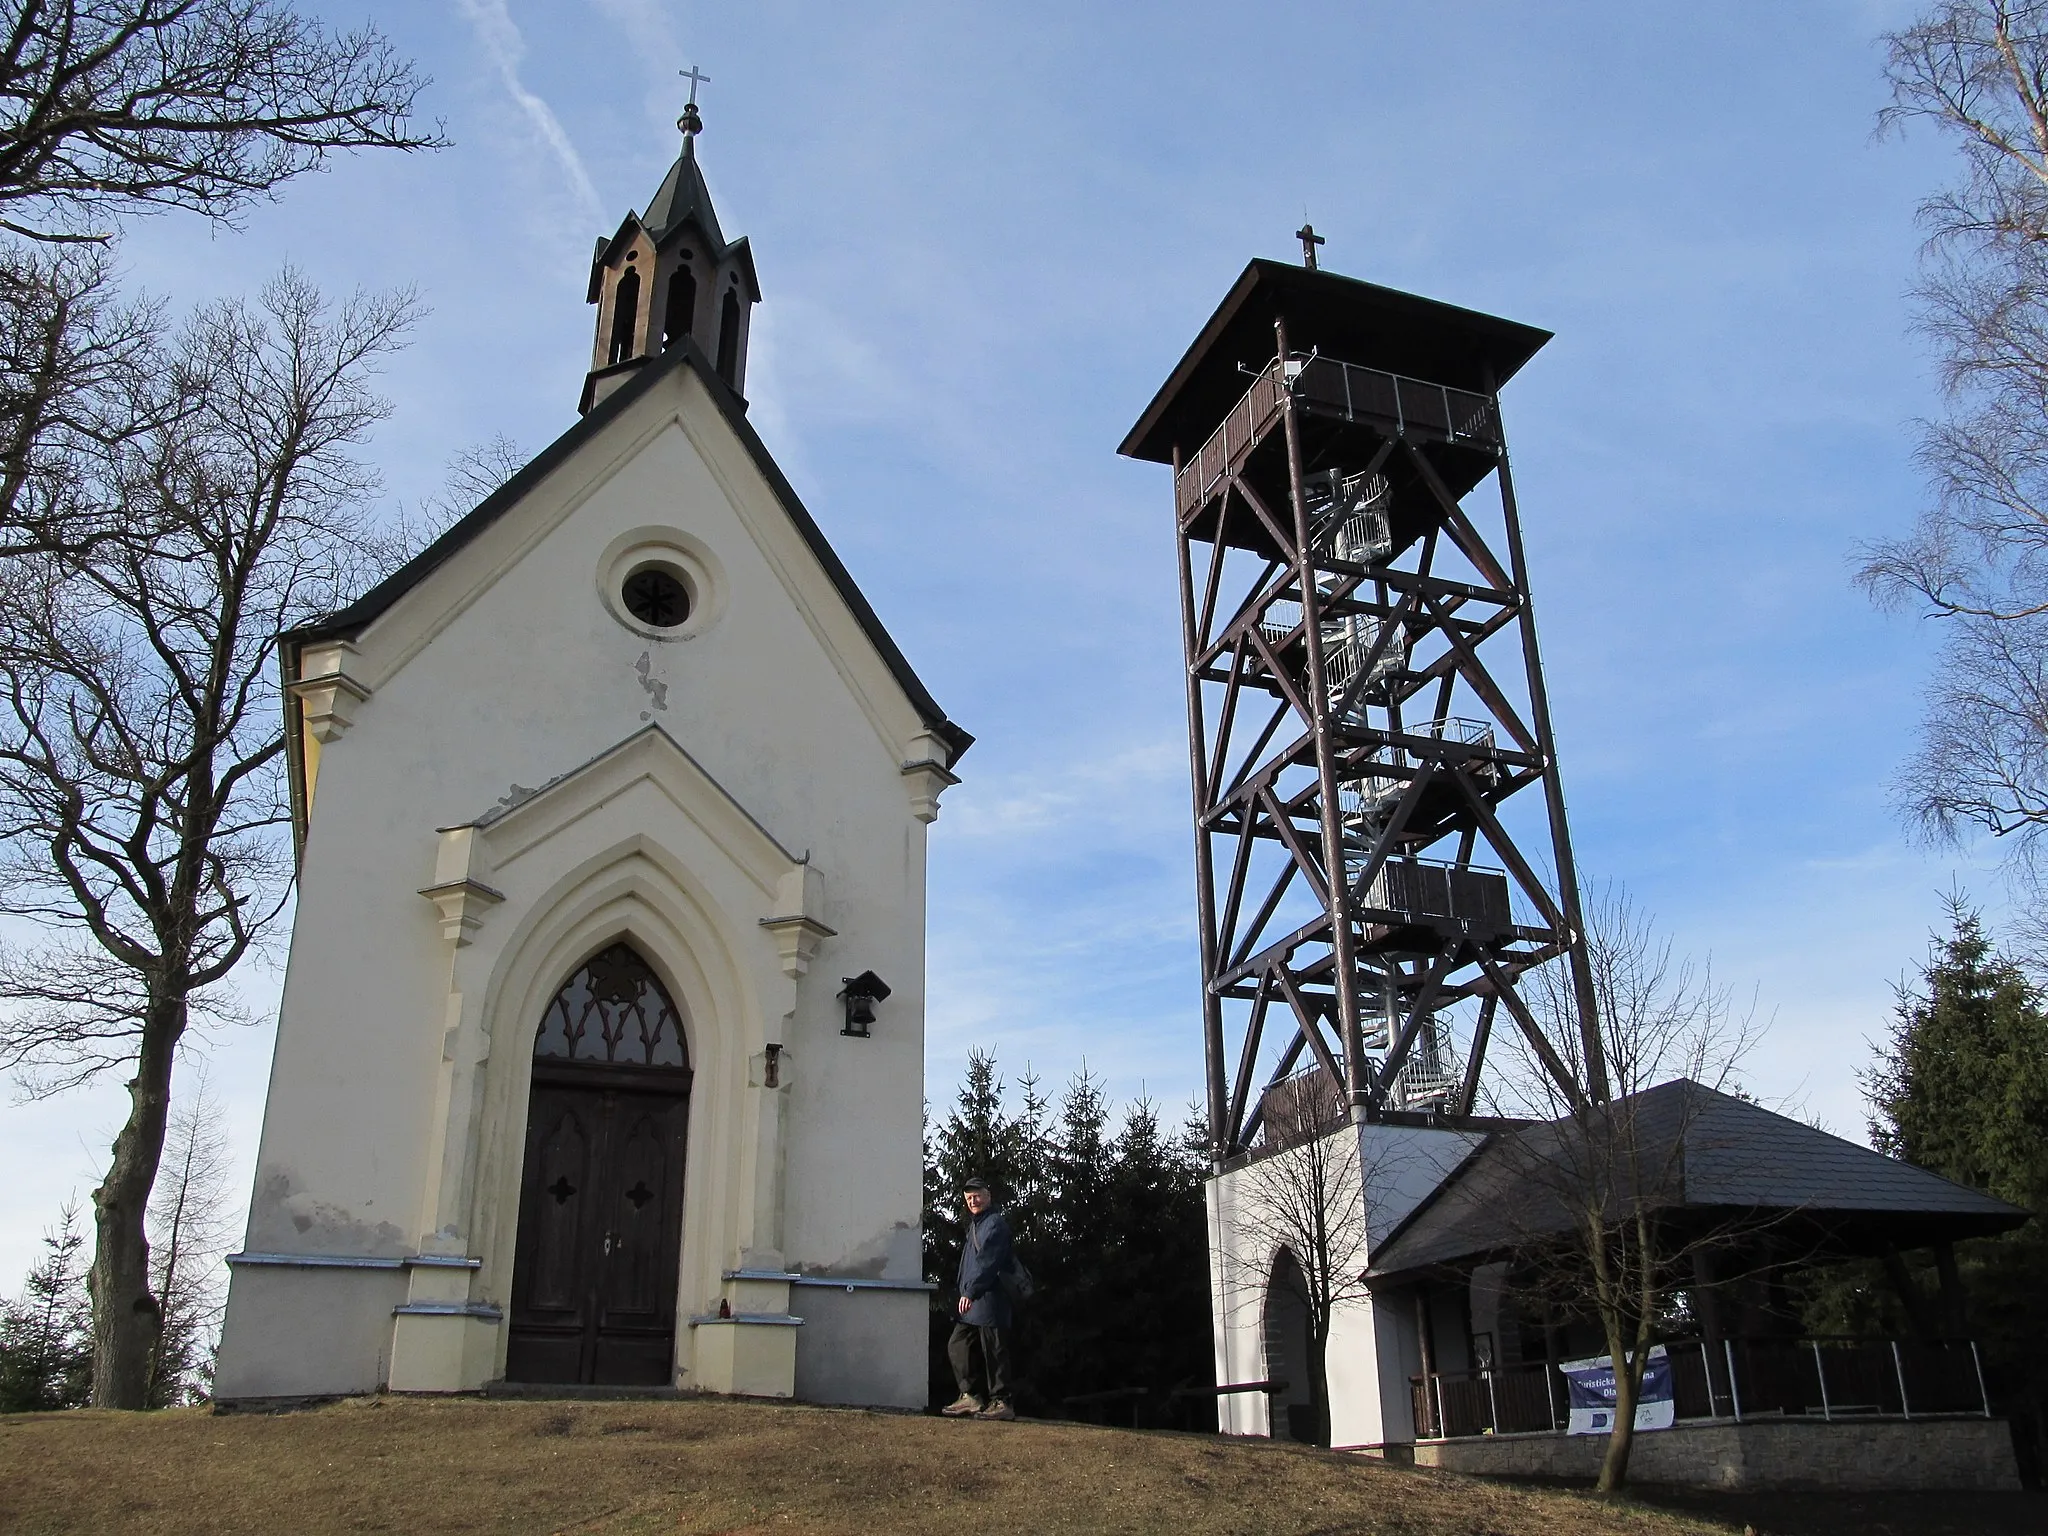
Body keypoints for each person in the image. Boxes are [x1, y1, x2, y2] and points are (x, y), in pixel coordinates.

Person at [942, 1176, 1015, 1421]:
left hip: (991, 1299)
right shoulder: (976, 1225)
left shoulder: (995, 1224)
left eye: (977, 1196)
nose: (973, 1201)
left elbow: (988, 1263)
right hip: (973, 1301)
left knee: (994, 1351)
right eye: (969, 1198)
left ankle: (1002, 1402)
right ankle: (970, 1397)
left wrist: (970, 1292)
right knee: (957, 1345)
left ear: (988, 1196)